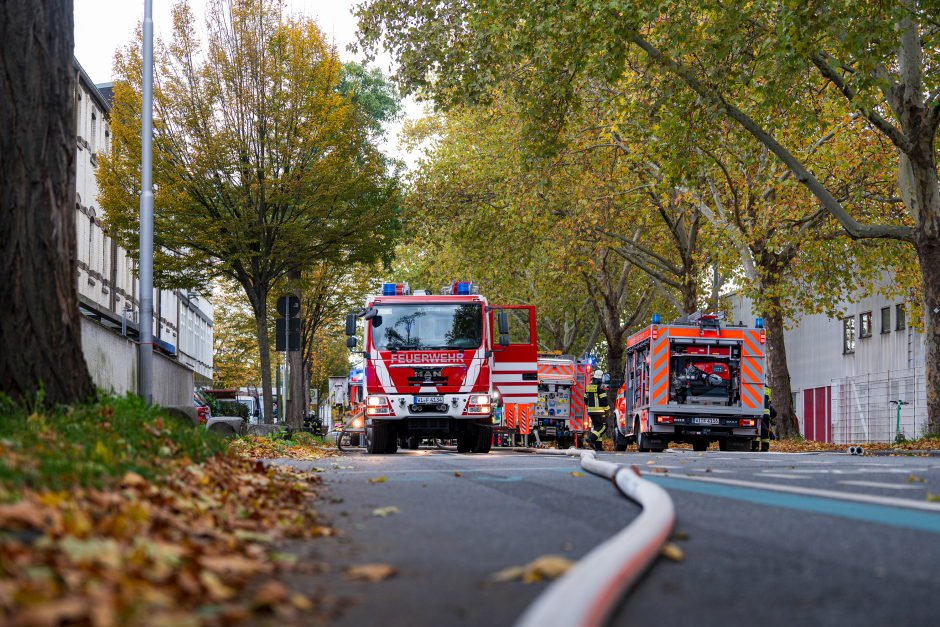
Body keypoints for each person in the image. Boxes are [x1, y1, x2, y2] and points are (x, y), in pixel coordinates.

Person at [584, 370, 609, 451]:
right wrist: (607, 409)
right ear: (600, 378)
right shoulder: (600, 387)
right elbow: (603, 400)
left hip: (591, 411)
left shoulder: (588, 386)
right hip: (599, 411)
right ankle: (591, 438)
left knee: (597, 427)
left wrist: (588, 408)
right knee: (604, 426)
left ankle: (598, 447)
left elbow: (585, 398)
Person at [753, 385, 776, 451]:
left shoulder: (755, 386)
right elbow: (769, 401)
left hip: (757, 411)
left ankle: (755, 447)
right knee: (765, 431)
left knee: (756, 430)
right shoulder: (768, 388)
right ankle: (765, 447)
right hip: (766, 413)